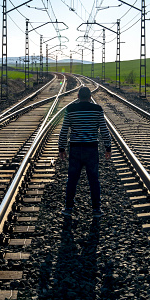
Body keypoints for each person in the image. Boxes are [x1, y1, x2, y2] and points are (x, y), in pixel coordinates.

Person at [58, 86, 111, 218]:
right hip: (92, 149)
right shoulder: (97, 110)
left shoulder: (70, 110)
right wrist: (108, 148)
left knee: (72, 180)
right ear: (89, 97)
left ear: (78, 97)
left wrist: (61, 148)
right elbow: (104, 131)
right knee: (94, 180)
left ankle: (68, 208)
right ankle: (96, 209)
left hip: (75, 149)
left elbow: (64, 131)